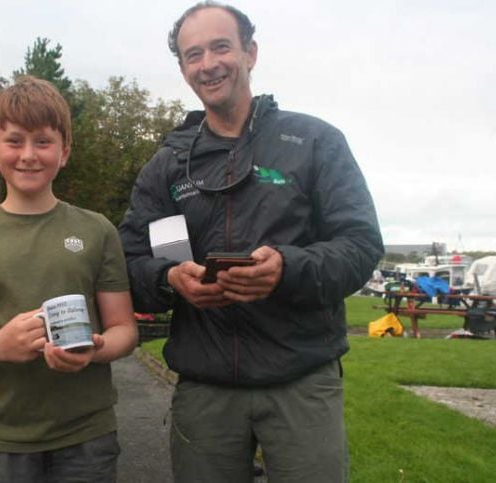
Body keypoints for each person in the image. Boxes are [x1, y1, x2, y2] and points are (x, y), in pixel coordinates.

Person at [118, 2, 384, 482]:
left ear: (251, 53)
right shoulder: (167, 165)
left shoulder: (316, 141)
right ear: (182, 68)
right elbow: (130, 260)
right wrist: (169, 278)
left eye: (221, 46)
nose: (208, 64)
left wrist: (286, 268)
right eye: (193, 54)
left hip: (301, 382)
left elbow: (361, 245)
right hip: (205, 388)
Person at [0, 77, 138, 482]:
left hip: (86, 436)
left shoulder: (97, 230)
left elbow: (124, 330)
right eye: (14, 141)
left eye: (43, 141)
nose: (28, 155)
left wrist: (93, 350)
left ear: (64, 152)